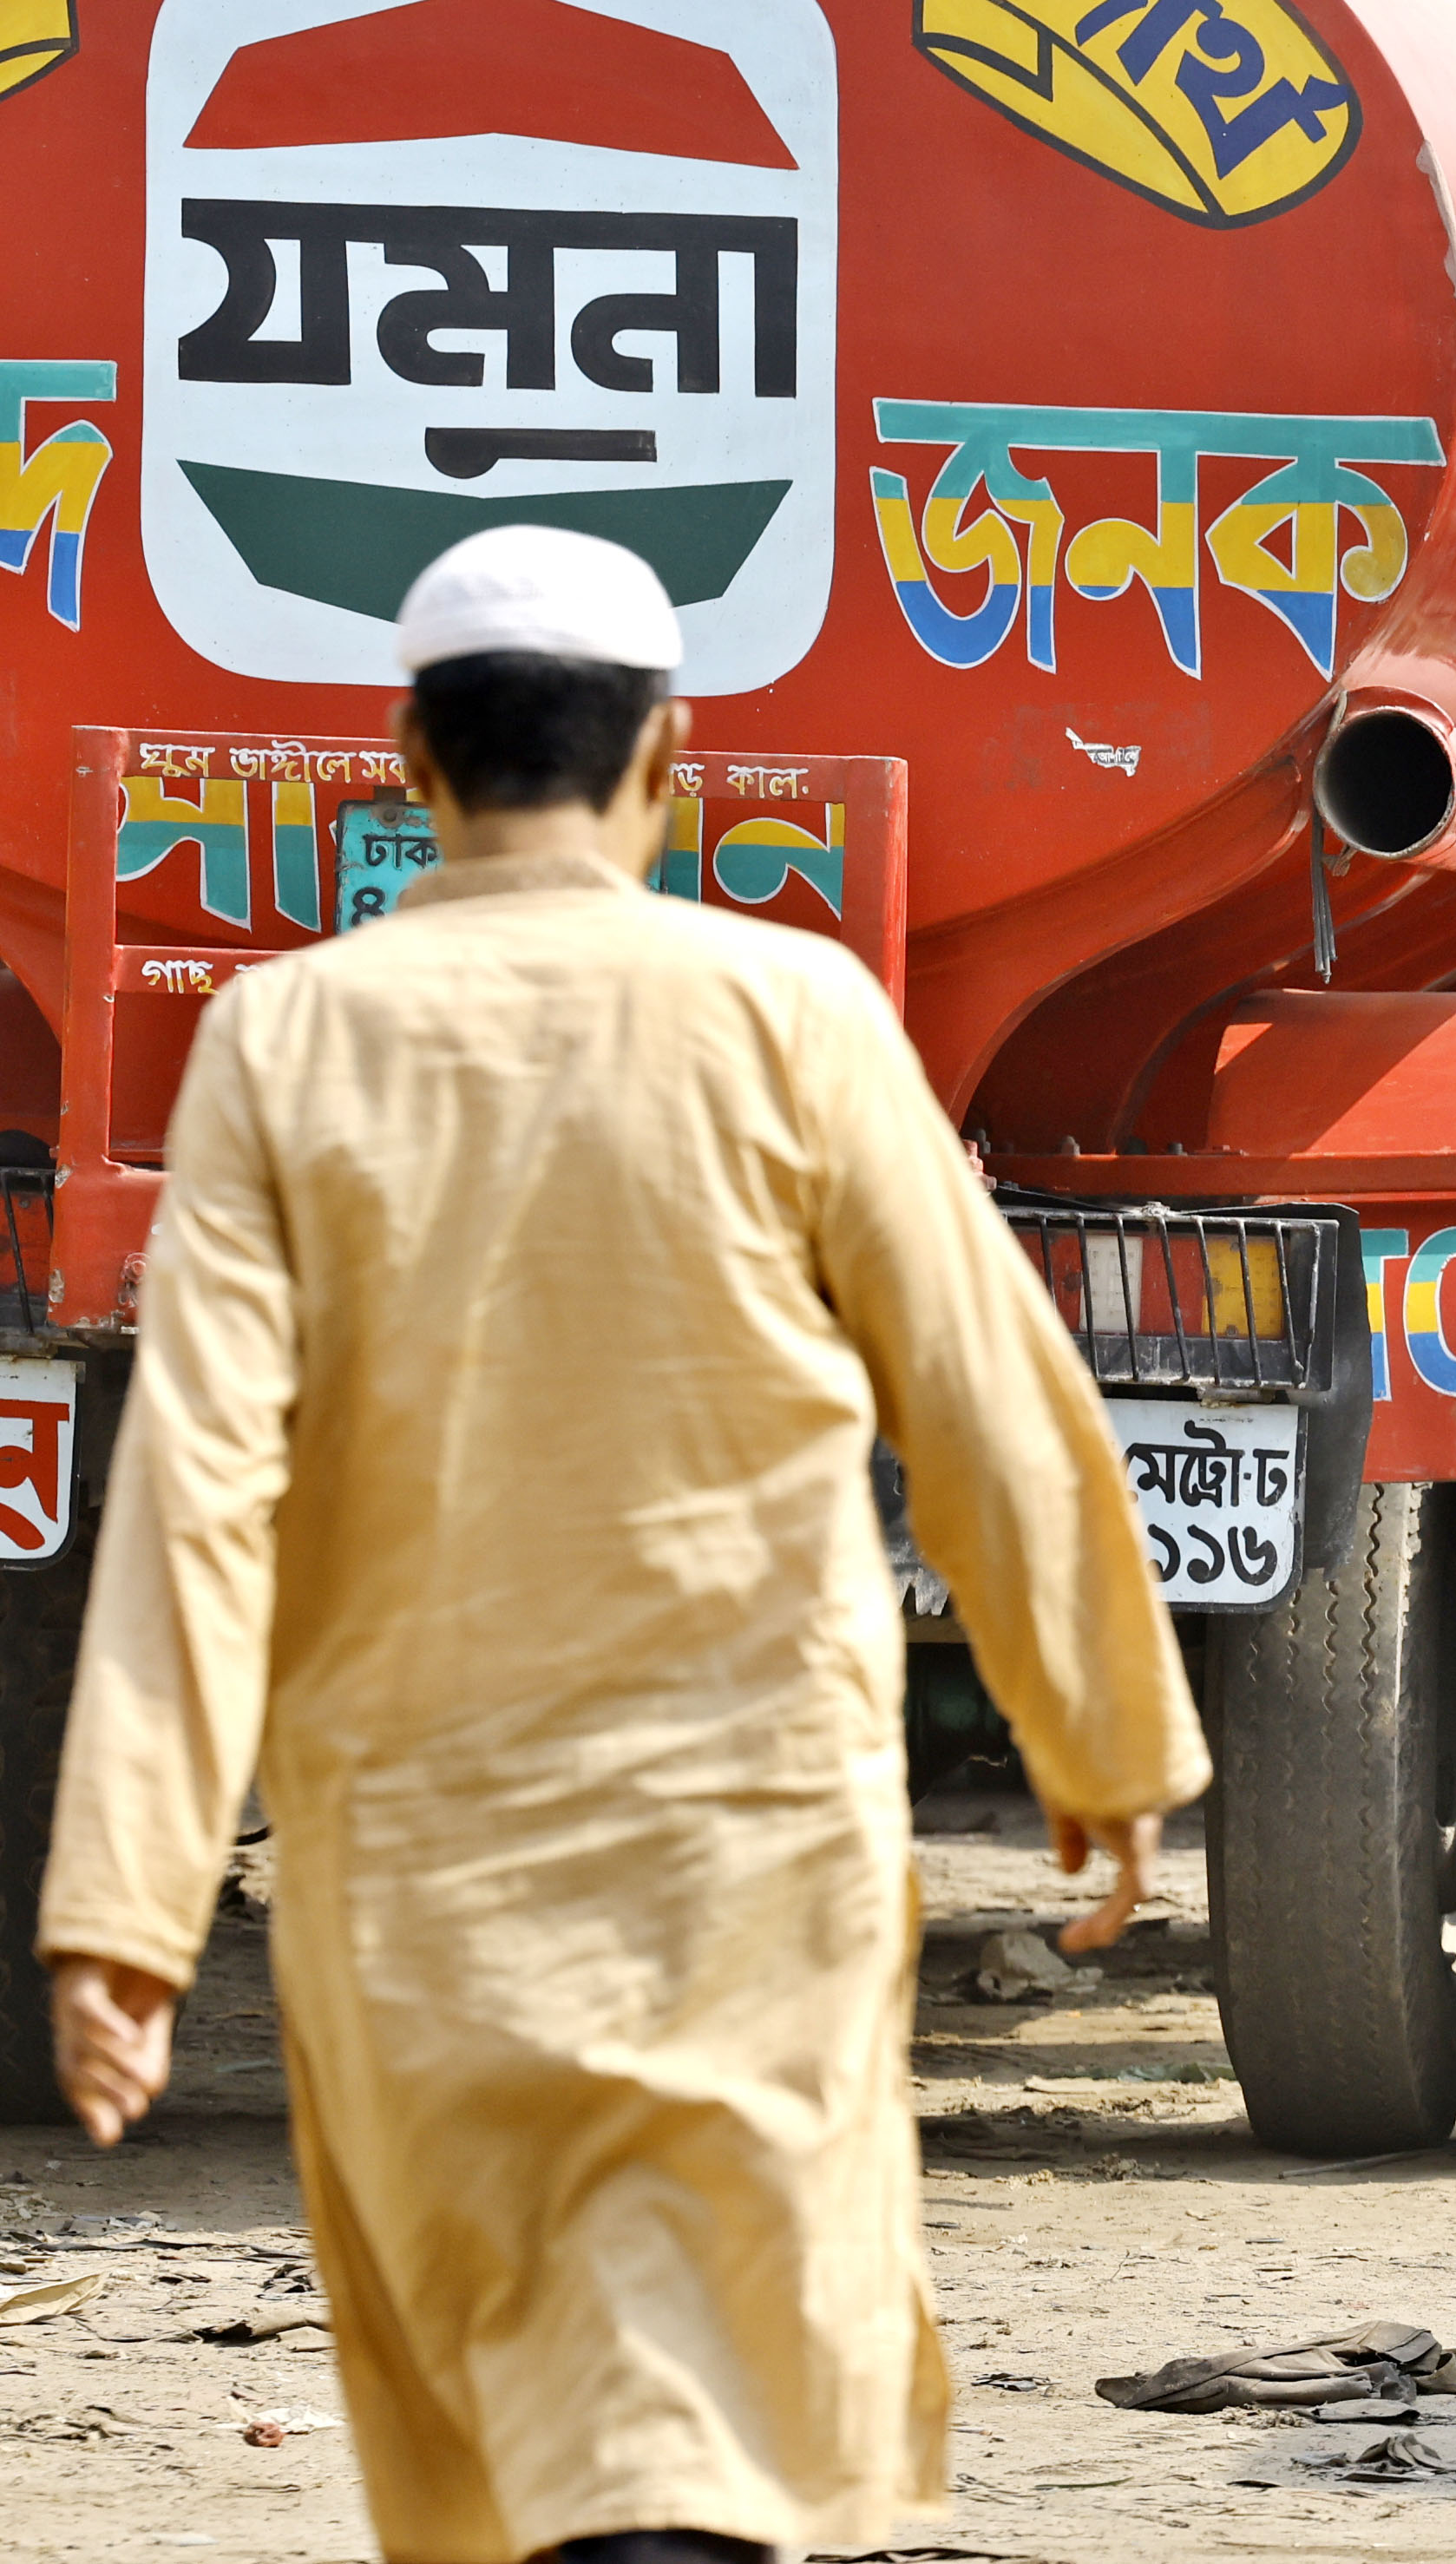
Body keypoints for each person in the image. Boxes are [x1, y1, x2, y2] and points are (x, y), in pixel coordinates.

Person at [33, 528, 1204, 2564]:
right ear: (669, 759)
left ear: (412, 757)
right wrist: (1098, 1744)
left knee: (537, 2433)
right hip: (746, 1851)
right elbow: (991, 1400)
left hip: (419, 1870)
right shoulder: (794, 1010)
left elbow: (200, 1483)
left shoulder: (285, 1042)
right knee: (697, 2417)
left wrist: (129, 1909)